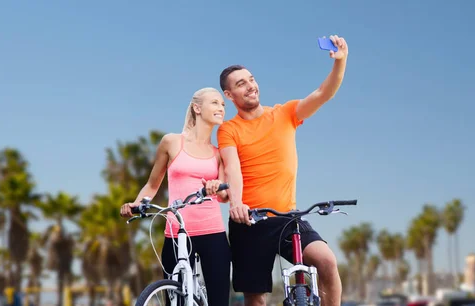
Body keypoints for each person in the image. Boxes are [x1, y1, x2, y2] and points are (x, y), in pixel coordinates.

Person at [217, 34, 349, 306]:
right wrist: (237, 203)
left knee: (326, 261)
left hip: (288, 218)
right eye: (241, 84)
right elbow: (232, 168)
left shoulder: (285, 113)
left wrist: (340, 62)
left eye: (251, 79)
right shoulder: (228, 129)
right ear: (229, 95)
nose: (250, 86)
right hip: (249, 221)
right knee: (255, 298)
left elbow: (323, 94)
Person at [119, 87, 231, 306]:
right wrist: (136, 204)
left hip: (213, 233)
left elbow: (225, 196)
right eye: (215, 103)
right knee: (174, 300)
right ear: (197, 108)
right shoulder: (171, 142)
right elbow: (152, 185)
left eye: (223, 105)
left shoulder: (219, 152)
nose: (221, 108)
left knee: (219, 301)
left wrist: (216, 187)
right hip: (176, 233)